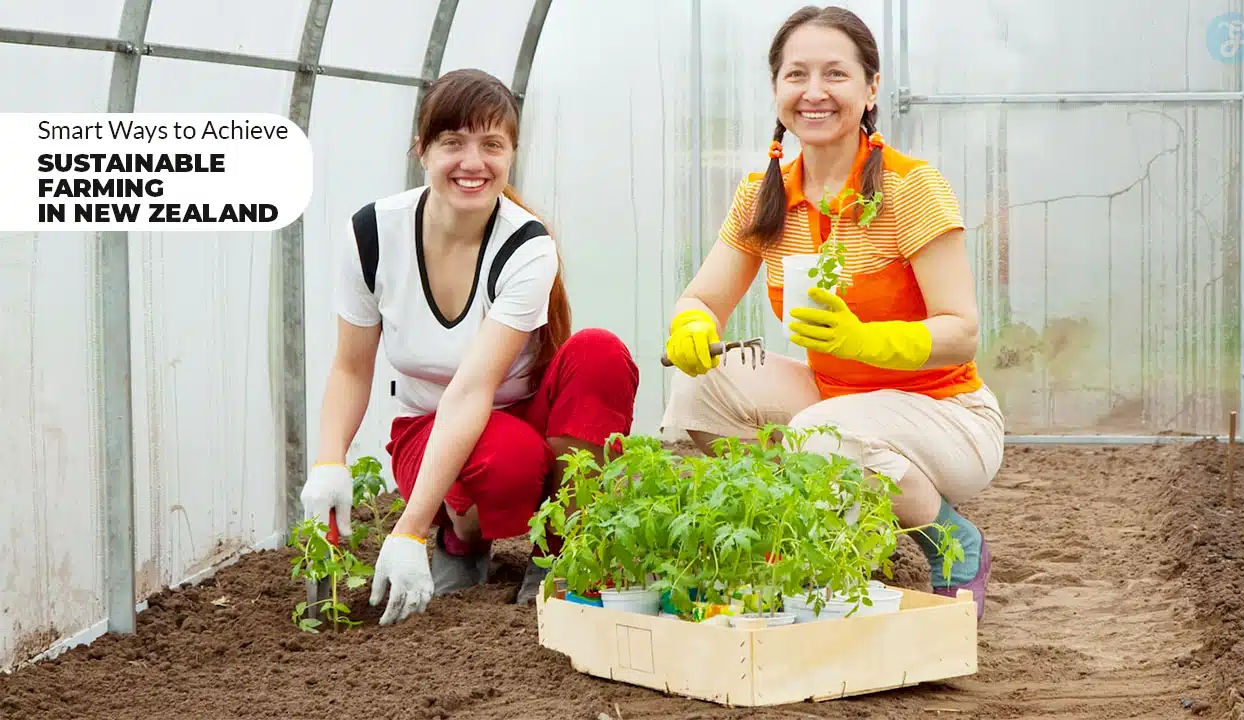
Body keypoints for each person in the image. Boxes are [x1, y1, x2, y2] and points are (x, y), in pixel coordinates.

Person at [660, 6, 1003, 620]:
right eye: (796, 75)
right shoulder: (765, 194)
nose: (814, 92)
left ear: (871, 90)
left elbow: (962, 333)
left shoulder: (909, 188)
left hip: (948, 416)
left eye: (835, 75)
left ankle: (951, 539)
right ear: (775, 90)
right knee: (698, 387)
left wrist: (863, 339)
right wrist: (692, 323)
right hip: (834, 399)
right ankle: (798, 526)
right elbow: (704, 298)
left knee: (820, 436)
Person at [300, 68, 640, 626]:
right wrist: (330, 460)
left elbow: (476, 386)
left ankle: (561, 551)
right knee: (507, 459)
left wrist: (406, 529)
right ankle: (460, 536)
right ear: (422, 150)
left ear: (512, 153)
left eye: (491, 144)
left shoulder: (526, 245)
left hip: (515, 408)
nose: (472, 162)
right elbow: (351, 367)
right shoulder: (372, 234)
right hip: (430, 425)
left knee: (598, 353)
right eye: (452, 142)